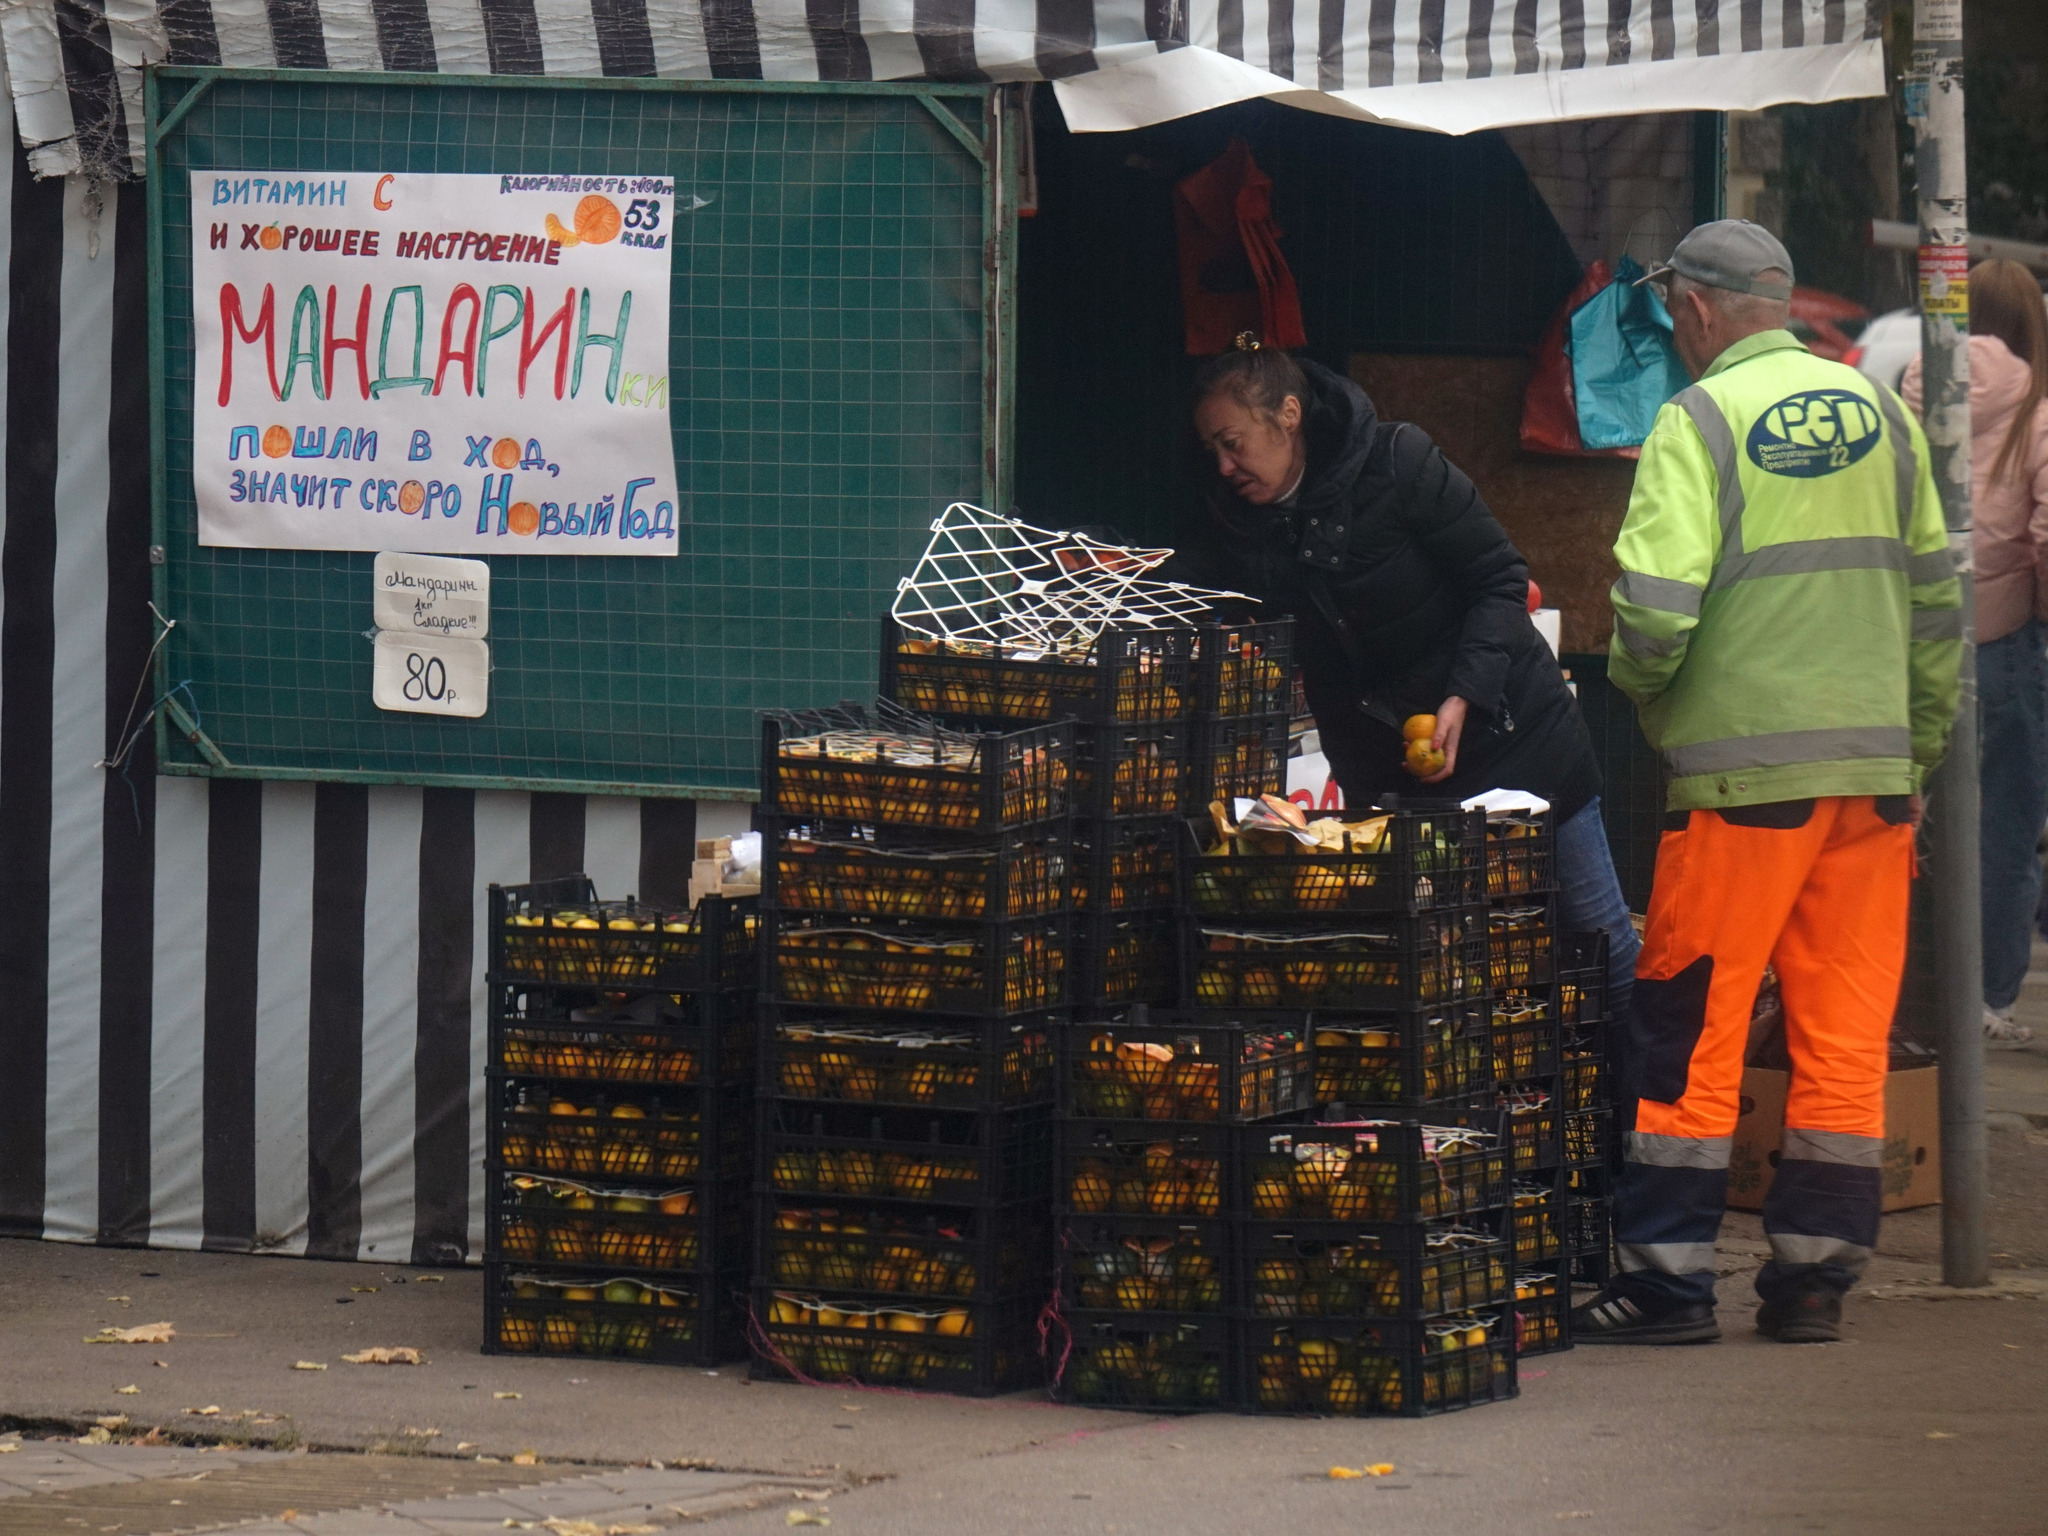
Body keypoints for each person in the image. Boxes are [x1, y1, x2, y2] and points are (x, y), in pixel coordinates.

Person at [1578, 221, 1962, 1346]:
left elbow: (1650, 608)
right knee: (1841, 1037)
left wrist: (1653, 706)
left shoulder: (1695, 421)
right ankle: (1808, 1286)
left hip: (1743, 785)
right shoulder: (1886, 419)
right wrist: (1915, 753)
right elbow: (1936, 611)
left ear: (1693, 310)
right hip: (1872, 783)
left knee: (1687, 1029)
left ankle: (1664, 1283)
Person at [1164, 334, 1641, 1023]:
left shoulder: (1398, 460)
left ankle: (1632, 1124)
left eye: (1233, 442)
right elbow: (1204, 589)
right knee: (1439, 970)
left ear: (1289, 415)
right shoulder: (1240, 529)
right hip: (1392, 779)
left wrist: (1464, 696)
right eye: (1212, 449)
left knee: (1598, 942)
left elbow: (1500, 580)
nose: (1225, 463)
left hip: (1518, 741)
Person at [1902, 259, 2048, 1048]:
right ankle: (1987, 1000)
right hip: (2005, 646)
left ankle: (1908, 989)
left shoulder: (1911, 393)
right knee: (2007, 828)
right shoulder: (2040, 410)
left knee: (1908, 821)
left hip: (1913, 639)